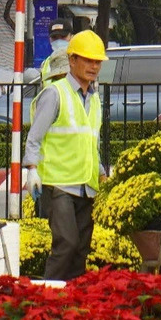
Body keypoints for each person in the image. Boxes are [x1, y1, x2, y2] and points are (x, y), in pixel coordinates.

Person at [24, 27, 107, 281]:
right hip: (59, 185)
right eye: (88, 60)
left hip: (86, 186)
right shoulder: (54, 93)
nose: (93, 66)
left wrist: (102, 174)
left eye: (97, 62)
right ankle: (48, 302)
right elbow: (34, 138)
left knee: (80, 249)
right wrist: (32, 170)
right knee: (66, 244)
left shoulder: (93, 99)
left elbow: (91, 141)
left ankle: (73, 305)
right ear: (72, 60)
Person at [38, 21, 71, 86]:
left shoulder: (78, 60)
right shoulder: (45, 64)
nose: (58, 41)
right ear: (49, 39)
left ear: (71, 37)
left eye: (63, 37)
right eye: (54, 37)